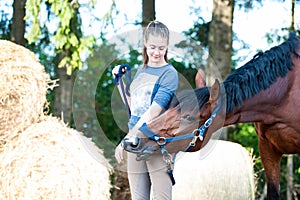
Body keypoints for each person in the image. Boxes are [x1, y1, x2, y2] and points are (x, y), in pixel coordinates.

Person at [112, 21, 178, 200]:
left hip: (156, 143)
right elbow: (135, 109)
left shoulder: (169, 73)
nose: (156, 52)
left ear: (167, 47)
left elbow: (153, 112)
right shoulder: (142, 72)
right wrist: (119, 82)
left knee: (162, 197)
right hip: (135, 142)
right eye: (152, 47)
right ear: (145, 44)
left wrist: (127, 138)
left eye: (162, 48)